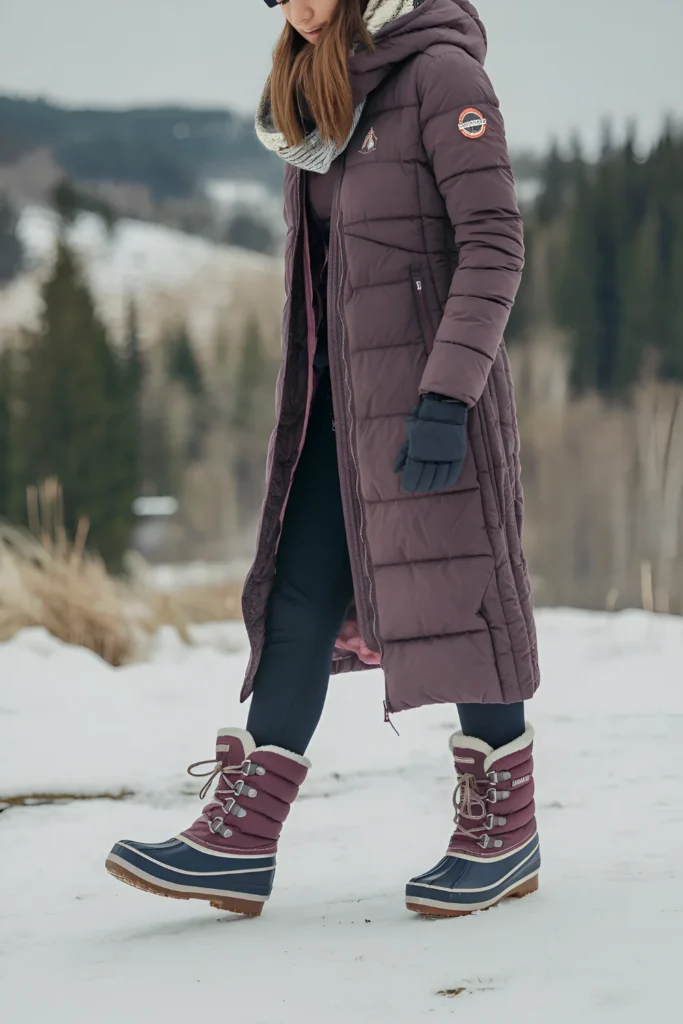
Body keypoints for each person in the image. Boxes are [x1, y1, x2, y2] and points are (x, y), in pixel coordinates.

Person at [106, 0, 540, 920]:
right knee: (295, 599)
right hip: (332, 407)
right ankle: (237, 844)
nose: (298, 7)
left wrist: (446, 396)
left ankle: (504, 833)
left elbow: (494, 246)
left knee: (463, 600)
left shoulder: (442, 74)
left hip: (431, 404)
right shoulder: (314, 88)